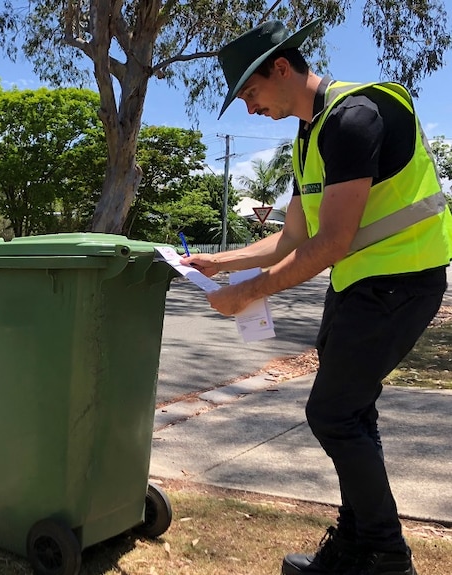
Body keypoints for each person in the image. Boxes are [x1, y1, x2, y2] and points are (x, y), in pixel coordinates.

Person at [182, 18, 452, 575]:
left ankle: (386, 555)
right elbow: (292, 238)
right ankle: (358, 545)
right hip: (362, 284)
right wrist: (218, 263)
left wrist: (246, 294)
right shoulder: (312, 134)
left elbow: (331, 242)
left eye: (250, 93)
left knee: (332, 412)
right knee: (351, 411)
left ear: (282, 67)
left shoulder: (354, 119)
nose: (250, 108)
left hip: (403, 280)